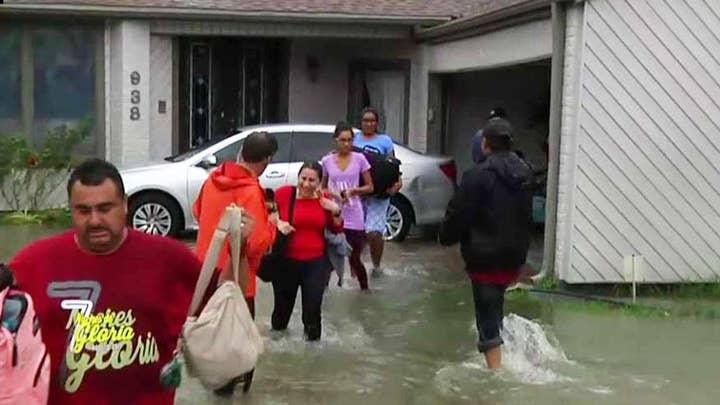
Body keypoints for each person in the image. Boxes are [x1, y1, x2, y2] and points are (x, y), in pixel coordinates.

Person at [6, 159, 223, 405]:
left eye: (105, 208)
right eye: (83, 210)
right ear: (71, 209)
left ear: (125, 205)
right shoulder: (33, 262)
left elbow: (223, 305)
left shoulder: (170, 258)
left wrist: (241, 251)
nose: (95, 220)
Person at [439, 118, 533, 370]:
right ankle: (502, 358)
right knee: (496, 307)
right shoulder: (525, 172)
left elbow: (458, 214)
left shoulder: (477, 176)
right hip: (514, 257)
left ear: (485, 144)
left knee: (486, 319)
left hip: (485, 257)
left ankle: (495, 379)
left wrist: (445, 237)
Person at [192, 131, 279, 395]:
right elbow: (256, 243)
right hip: (236, 278)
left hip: (205, 271)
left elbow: (198, 212)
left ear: (242, 151)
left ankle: (216, 389)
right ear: (266, 160)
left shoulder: (212, 179)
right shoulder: (252, 190)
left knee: (211, 338)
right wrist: (274, 226)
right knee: (237, 345)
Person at [271, 162, 344, 341]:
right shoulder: (284, 194)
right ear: (298, 178)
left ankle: (313, 357)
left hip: (316, 263)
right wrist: (278, 223)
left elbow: (337, 229)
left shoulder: (323, 199)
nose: (306, 184)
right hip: (286, 262)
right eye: (303, 179)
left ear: (319, 182)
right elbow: (266, 212)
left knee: (312, 314)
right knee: (281, 314)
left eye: (312, 180)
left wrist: (335, 210)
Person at [322, 122, 374, 290]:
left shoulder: (360, 159)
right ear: (336, 140)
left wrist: (354, 190)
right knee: (328, 256)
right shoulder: (327, 161)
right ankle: (323, 293)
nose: (346, 144)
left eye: (350, 140)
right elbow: (321, 188)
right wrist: (333, 194)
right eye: (343, 140)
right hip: (334, 213)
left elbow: (370, 186)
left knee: (355, 257)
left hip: (354, 213)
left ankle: (364, 291)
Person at [353, 107, 402, 277]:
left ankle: (376, 266)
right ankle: (356, 267)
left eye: (372, 121)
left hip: (379, 194)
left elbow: (393, 165)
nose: (369, 124)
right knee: (356, 232)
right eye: (365, 120)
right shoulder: (353, 139)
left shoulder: (385, 141)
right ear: (361, 123)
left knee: (374, 232)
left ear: (377, 123)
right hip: (358, 192)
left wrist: (397, 183)